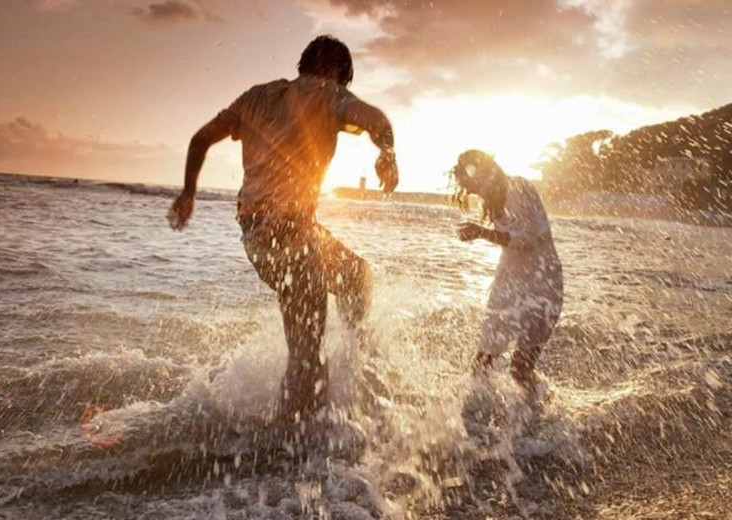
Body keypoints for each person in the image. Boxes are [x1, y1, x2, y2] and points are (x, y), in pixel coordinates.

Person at [168, 35, 399, 423]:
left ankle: (354, 366)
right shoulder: (329, 93)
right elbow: (377, 120)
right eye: (344, 82)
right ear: (335, 72)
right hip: (291, 236)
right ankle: (291, 445)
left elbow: (200, 140)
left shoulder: (254, 97)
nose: (343, 89)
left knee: (357, 275)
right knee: (309, 354)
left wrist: (188, 194)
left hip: (262, 233)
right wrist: (387, 154)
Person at [451, 150, 562, 400]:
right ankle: (480, 421)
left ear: (483, 174)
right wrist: (482, 231)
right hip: (510, 286)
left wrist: (481, 232)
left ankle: (541, 412)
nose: (473, 194)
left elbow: (526, 238)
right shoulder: (496, 201)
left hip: (541, 287)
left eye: (473, 187)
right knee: (482, 363)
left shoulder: (518, 187)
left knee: (520, 370)